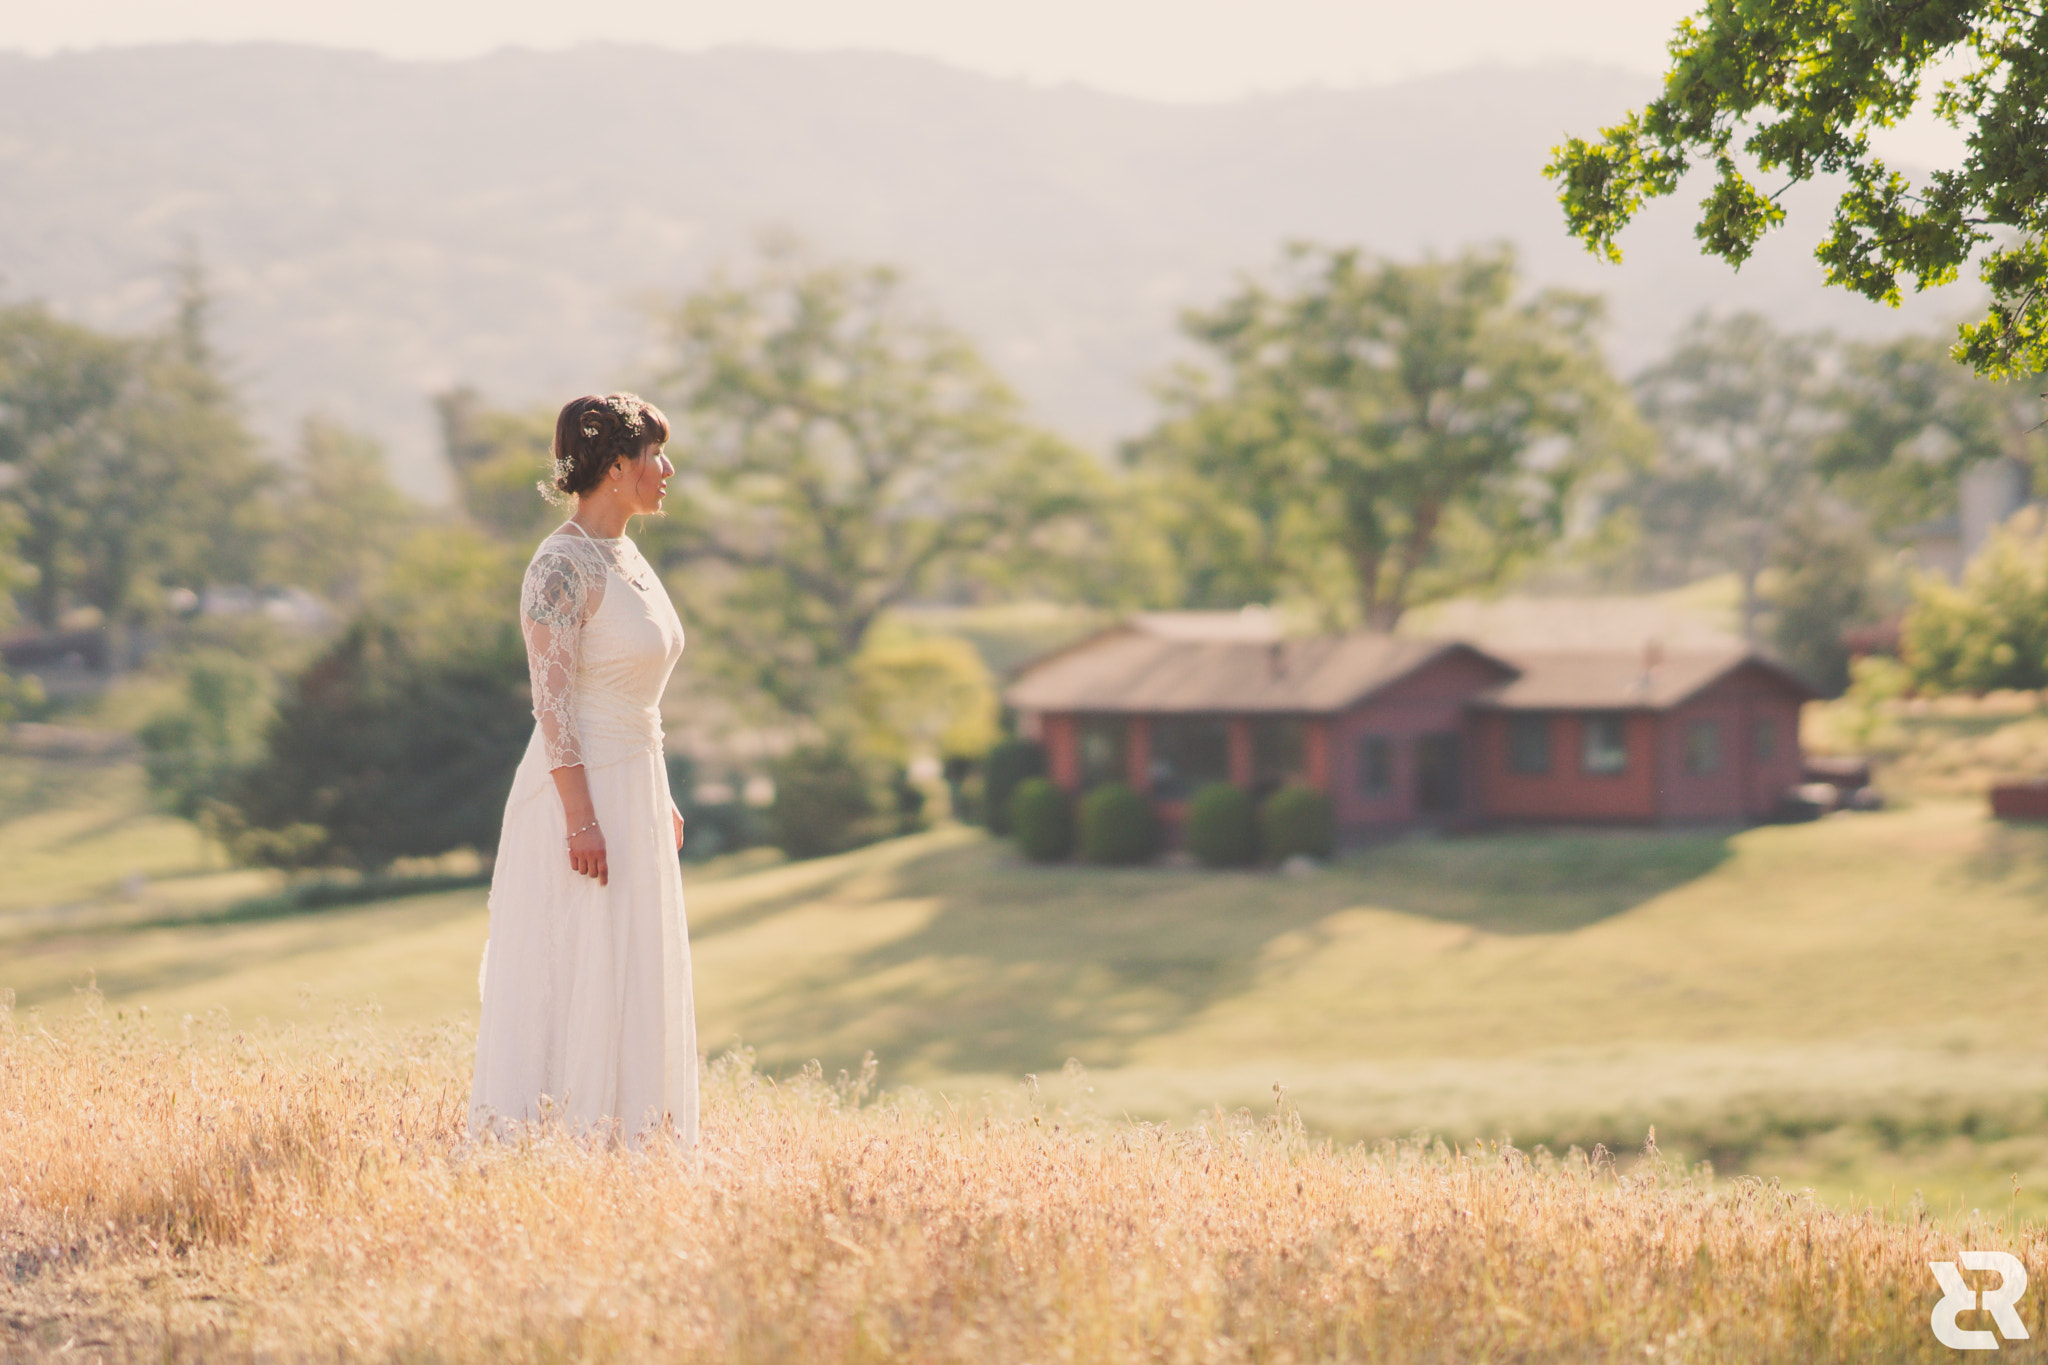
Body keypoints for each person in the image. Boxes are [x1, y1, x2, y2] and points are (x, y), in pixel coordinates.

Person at [469, 392, 697, 1147]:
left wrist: (656, 795)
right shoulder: (559, 565)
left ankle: (634, 1139)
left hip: (635, 781)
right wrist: (583, 817)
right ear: (615, 466)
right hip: (579, 792)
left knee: (633, 963)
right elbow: (554, 704)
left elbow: (634, 692)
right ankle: (555, 1143)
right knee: (580, 962)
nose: (666, 470)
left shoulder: (626, 555)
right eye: (654, 455)